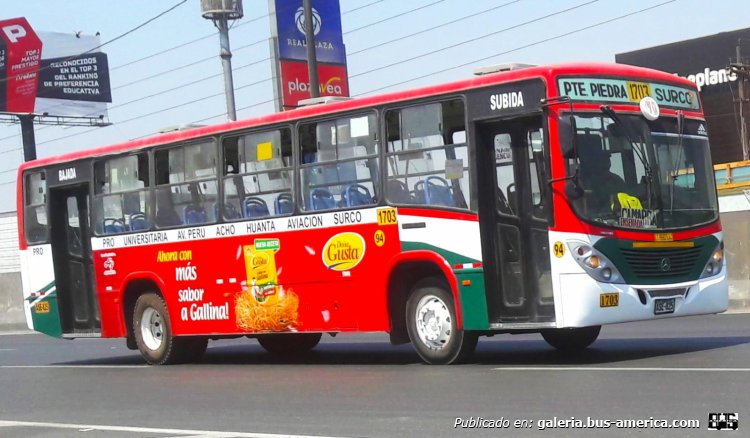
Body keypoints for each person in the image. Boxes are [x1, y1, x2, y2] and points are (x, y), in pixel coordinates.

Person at [578, 146, 627, 213]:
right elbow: (589, 202)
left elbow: (625, 199)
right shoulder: (590, 181)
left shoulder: (617, 180)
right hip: (596, 217)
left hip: (617, 215)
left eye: (607, 159)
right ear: (596, 162)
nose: (606, 161)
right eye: (603, 159)